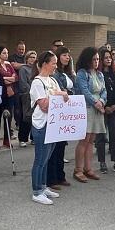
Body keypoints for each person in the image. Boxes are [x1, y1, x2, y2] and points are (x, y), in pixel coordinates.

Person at [30, 51, 69, 205]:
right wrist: (59, 93)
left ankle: (43, 186)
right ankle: (36, 190)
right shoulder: (37, 82)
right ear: (45, 64)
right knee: (40, 159)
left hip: (53, 124)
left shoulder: (52, 80)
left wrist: (58, 93)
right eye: (53, 63)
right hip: (41, 124)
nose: (55, 66)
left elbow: (61, 100)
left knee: (47, 158)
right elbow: (44, 105)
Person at [73, 47, 107, 182]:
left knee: (91, 140)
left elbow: (104, 90)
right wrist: (96, 103)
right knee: (84, 140)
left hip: (98, 109)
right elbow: (84, 91)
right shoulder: (82, 73)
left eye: (98, 59)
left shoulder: (100, 74)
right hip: (87, 108)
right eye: (94, 59)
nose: (96, 62)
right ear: (87, 60)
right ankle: (78, 169)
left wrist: (102, 101)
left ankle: (88, 168)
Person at [96, 48, 115, 175]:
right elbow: (97, 92)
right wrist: (104, 106)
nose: (108, 59)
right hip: (101, 109)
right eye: (105, 57)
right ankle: (102, 162)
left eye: (110, 57)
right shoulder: (97, 74)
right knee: (101, 137)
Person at [48, 46, 75, 190]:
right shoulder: (55, 74)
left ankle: (60, 175)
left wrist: (68, 92)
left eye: (68, 55)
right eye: (64, 55)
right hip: (57, 113)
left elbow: (72, 89)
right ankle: (51, 178)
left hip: (66, 113)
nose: (67, 58)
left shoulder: (68, 72)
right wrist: (65, 92)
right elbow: (59, 91)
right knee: (55, 147)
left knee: (61, 148)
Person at [0, 46, 18, 147]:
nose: (6, 55)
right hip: (1, 94)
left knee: (9, 117)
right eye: (4, 53)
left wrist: (8, 79)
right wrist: (9, 79)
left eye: (7, 52)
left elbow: (15, 77)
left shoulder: (8, 64)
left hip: (10, 94)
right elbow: (1, 79)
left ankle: (7, 139)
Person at [17, 50, 37, 146]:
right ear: (27, 58)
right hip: (26, 95)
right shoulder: (23, 69)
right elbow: (23, 83)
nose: (33, 59)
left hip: (36, 96)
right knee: (26, 117)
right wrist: (32, 91)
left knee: (35, 117)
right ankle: (22, 139)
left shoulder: (37, 69)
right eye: (31, 57)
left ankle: (33, 137)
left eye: (34, 57)